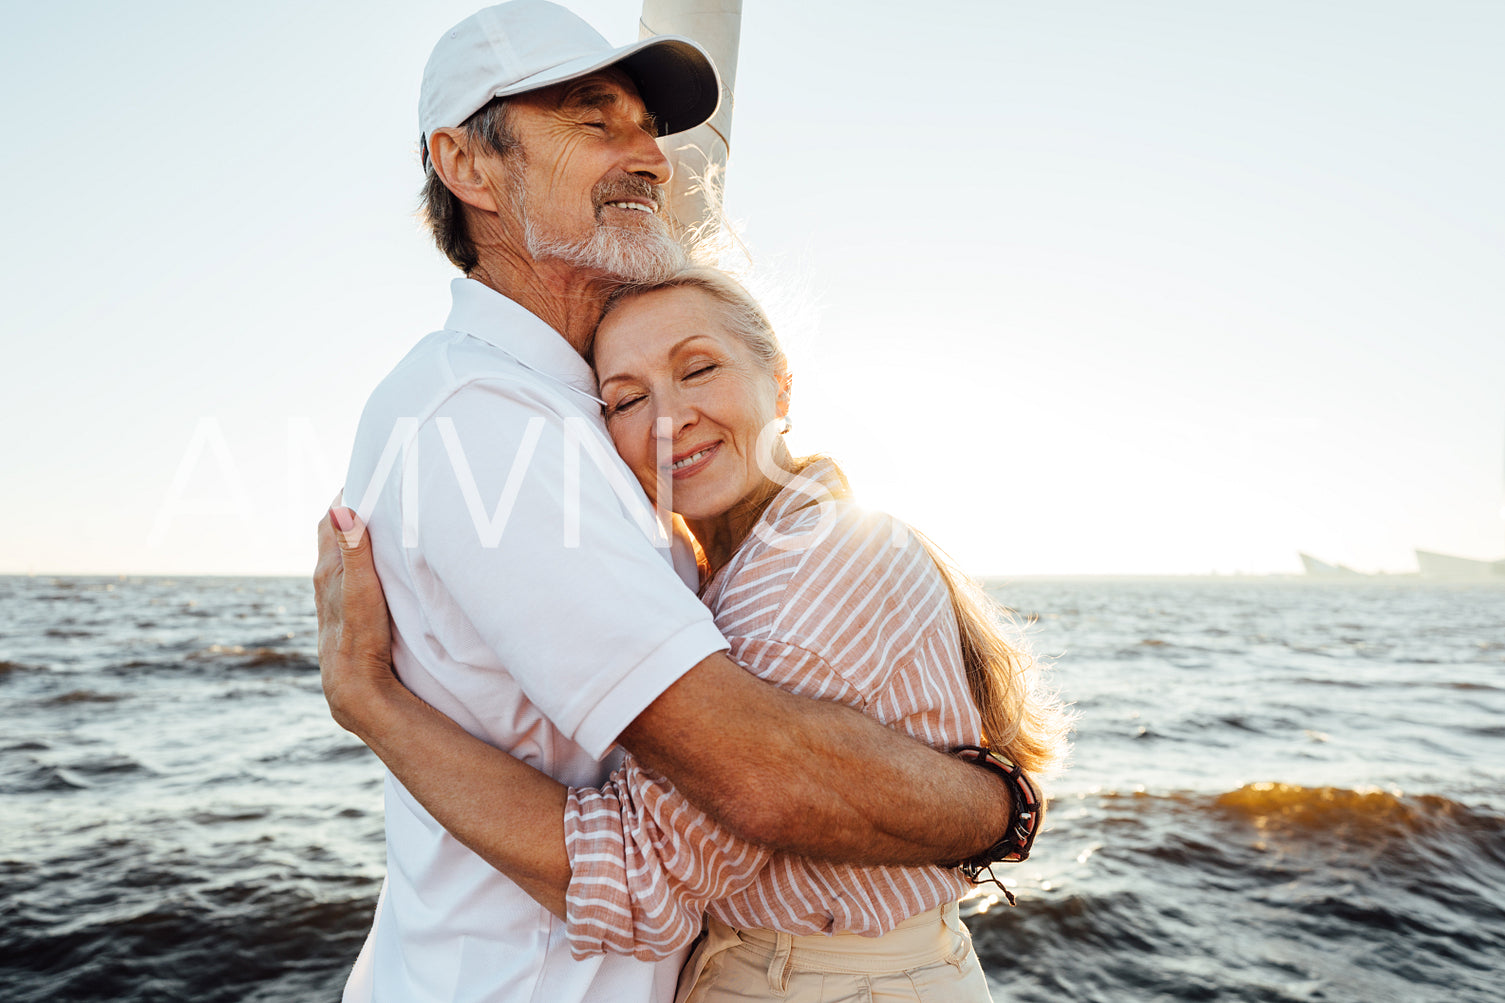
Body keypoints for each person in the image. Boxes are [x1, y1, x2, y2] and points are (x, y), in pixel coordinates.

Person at [316, 3, 1035, 1002]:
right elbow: (756, 773)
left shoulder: (584, 405)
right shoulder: (480, 418)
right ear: (467, 165)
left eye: (648, 127)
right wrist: (998, 811)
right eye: (593, 120)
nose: (650, 155)